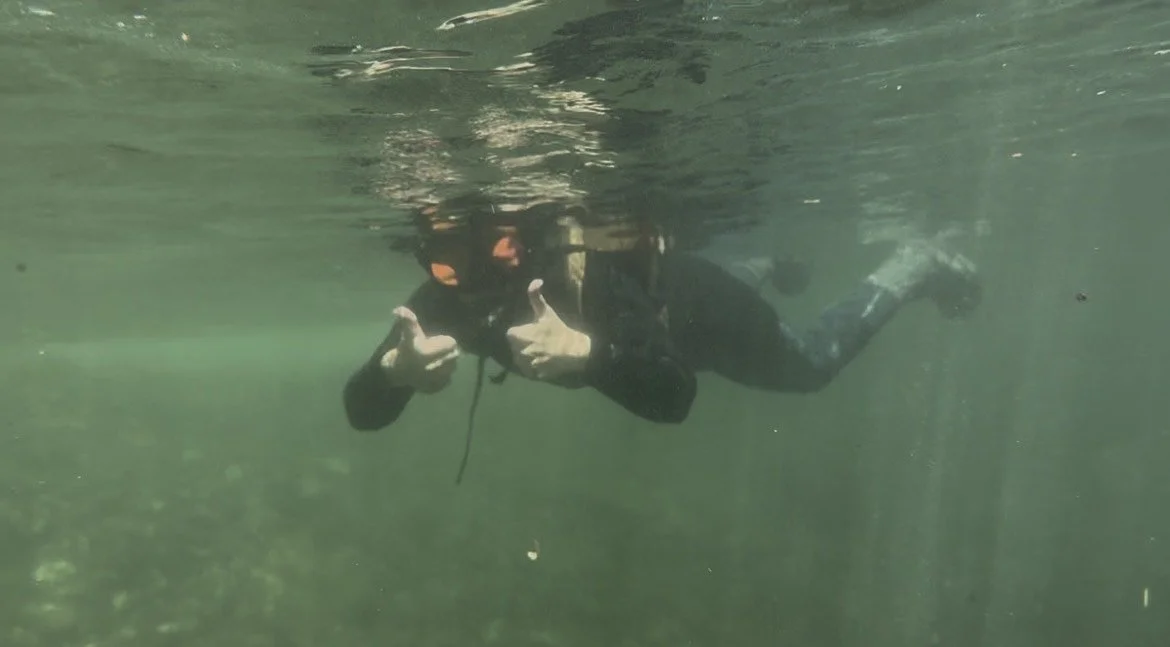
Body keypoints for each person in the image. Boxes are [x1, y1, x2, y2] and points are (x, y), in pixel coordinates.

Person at [343, 200, 981, 453]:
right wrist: (389, 373)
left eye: (492, 243)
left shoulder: (580, 271)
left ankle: (914, 263)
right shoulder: (443, 296)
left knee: (810, 364)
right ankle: (759, 263)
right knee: (705, 281)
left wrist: (590, 356)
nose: (473, 269)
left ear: (517, 237)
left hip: (704, 313)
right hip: (665, 308)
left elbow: (675, 395)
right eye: (445, 255)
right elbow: (362, 413)